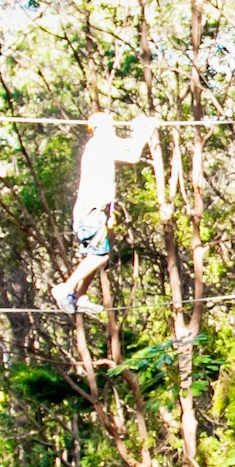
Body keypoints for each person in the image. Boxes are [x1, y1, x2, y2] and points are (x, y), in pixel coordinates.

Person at [51, 110, 157, 317]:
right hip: (91, 212)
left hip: (89, 211)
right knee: (100, 256)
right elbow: (133, 155)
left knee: (95, 254)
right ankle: (66, 288)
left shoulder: (100, 144)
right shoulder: (100, 143)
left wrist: (140, 129)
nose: (114, 129)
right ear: (100, 128)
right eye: (111, 126)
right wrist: (146, 129)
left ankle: (80, 297)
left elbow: (128, 145)